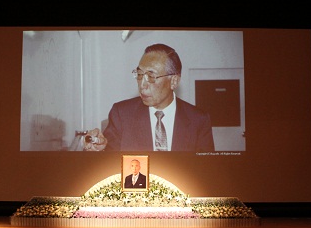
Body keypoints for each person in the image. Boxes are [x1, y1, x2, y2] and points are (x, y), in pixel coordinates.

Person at [84, 43, 214, 152]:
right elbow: (109, 161)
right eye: (139, 74)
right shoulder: (122, 114)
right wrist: (99, 149)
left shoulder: (198, 120)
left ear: (173, 81)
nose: (142, 85)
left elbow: (205, 169)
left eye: (151, 76)